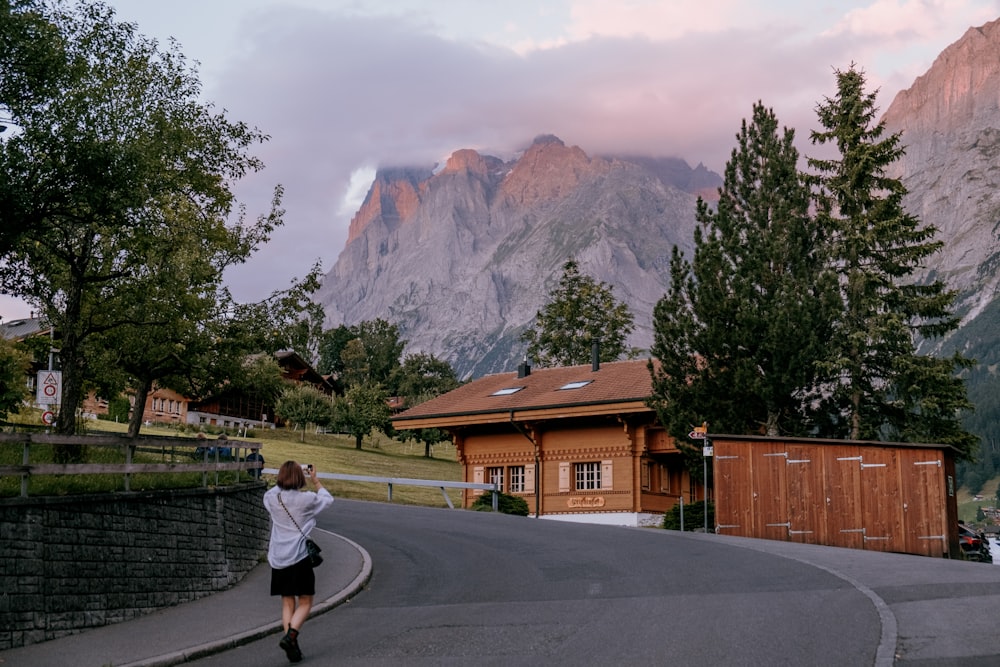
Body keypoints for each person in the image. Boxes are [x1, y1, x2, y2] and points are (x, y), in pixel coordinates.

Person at [263, 461, 333, 663]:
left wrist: (286, 475)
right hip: (300, 557)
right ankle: (291, 635)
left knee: (287, 602)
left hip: (279, 558)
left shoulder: (271, 498)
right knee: (306, 600)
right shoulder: (307, 499)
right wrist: (315, 479)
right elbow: (327, 500)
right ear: (299, 478)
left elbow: (274, 490)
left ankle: (292, 645)